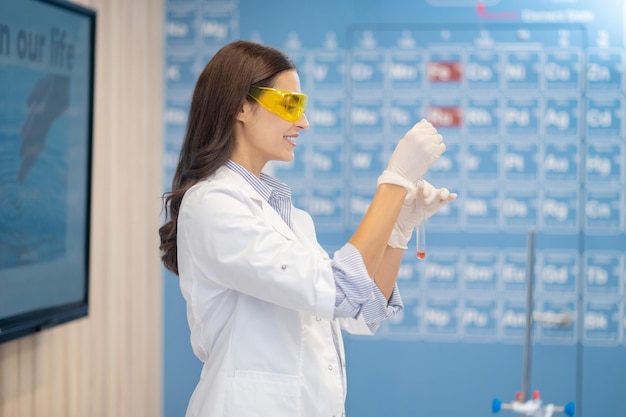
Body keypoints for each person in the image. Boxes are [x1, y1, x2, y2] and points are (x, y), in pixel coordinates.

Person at [159, 40, 457, 417]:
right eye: (290, 104)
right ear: (241, 106)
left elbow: (362, 312)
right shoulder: (213, 206)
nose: (303, 122)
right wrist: (394, 180)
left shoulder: (292, 218)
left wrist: (398, 230)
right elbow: (343, 290)